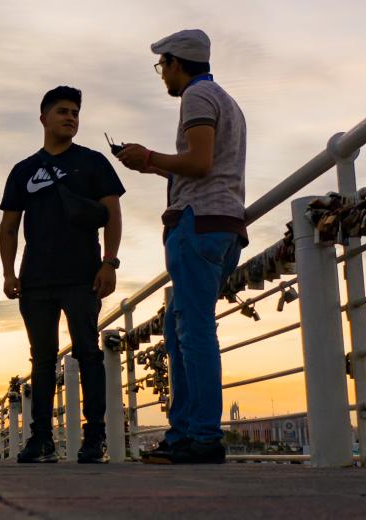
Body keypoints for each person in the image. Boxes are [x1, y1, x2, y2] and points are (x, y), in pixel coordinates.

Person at [115, 29, 248, 465]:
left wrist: (150, 158)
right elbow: (203, 166)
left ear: (176, 63)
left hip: (199, 225)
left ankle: (204, 436)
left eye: (162, 66)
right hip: (221, 225)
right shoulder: (225, 100)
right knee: (178, 330)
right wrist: (149, 164)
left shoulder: (196, 98)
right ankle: (184, 431)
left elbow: (200, 162)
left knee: (193, 332)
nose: (161, 75)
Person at [0, 86, 125, 463]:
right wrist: (8, 273)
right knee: (41, 358)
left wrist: (110, 262)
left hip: (83, 275)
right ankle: (41, 439)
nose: (70, 117)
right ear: (43, 118)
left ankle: (95, 436)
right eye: (62, 112)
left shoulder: (93, 162)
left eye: (75, 112)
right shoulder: (23, 170)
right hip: (35, 277)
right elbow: (9, 226)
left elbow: (113, 214)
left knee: (88, 351)